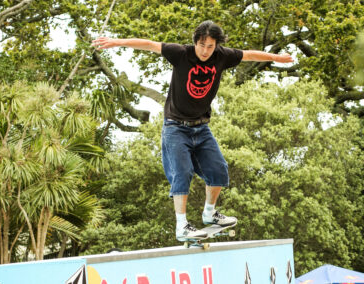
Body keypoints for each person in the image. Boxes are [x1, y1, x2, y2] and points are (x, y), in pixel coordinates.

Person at [92, 20, 293, 241]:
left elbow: (249, 55)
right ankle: (182, 226)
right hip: (175, 128)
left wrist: (276, 58)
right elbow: (149, 44)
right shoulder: (180, 53)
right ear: (195, 42)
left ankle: (209, 213)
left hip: (201, 127)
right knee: (182, 172)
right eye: (202, 45)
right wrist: (116, 42)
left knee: (219, 169)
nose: (206, 51)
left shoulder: (222, 56)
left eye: (210, 47)